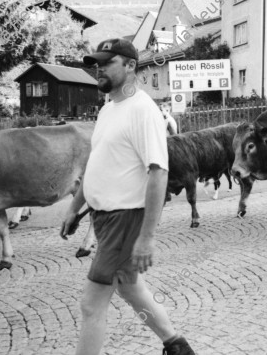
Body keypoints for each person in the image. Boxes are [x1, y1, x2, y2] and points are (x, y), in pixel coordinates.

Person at [60, 38, 195, 355]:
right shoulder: (109, 109)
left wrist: (147, 237)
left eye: (107, 63)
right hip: (104, 219)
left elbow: (158, 172)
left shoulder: (143, 110)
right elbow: (97, 165)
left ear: (131, 65)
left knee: (91, 304)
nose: (99, 69)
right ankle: (177, 347)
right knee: (129, 288)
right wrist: (74, 208)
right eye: (97, 64)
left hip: (125, 219)